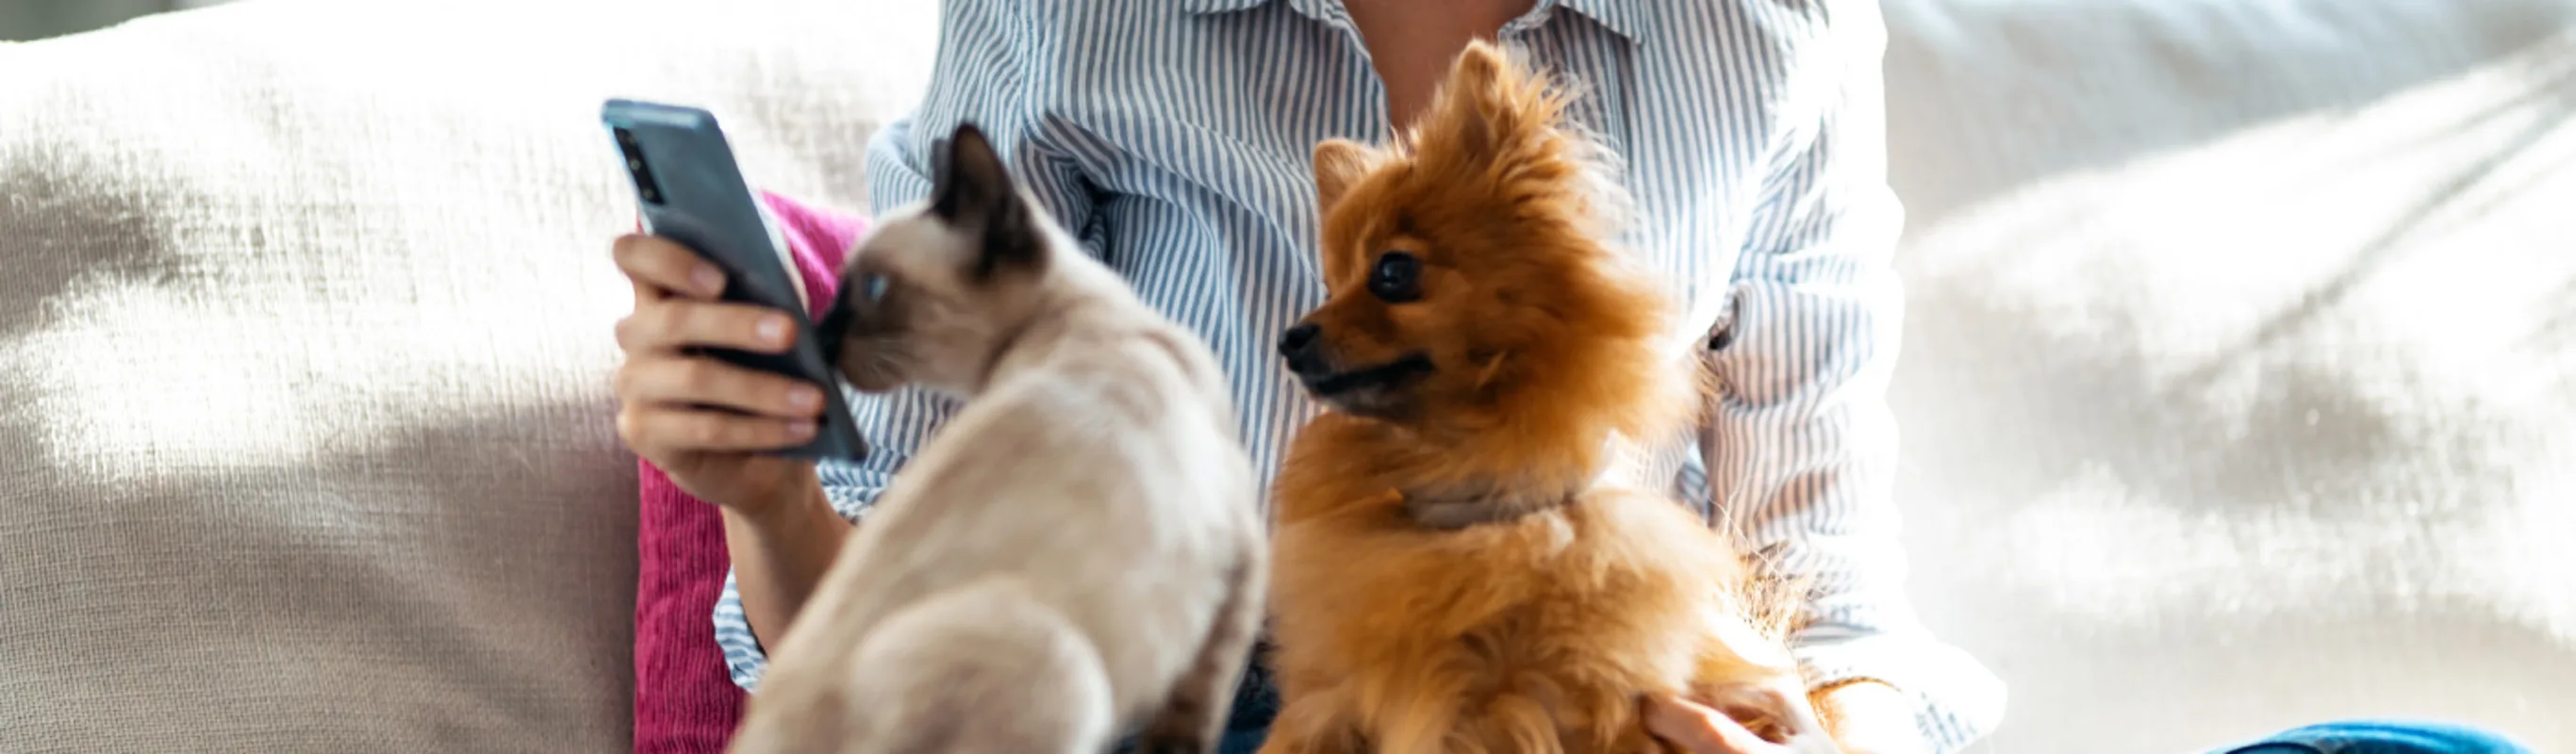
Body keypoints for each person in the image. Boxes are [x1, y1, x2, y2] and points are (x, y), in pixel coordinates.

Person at [606, 2, 2535, 752]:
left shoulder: (1759, 31)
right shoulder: (1073, 17)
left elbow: (1835, 586)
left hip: (1612, 683)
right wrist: (764, 493)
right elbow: (884, 634)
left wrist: (1810, 739)